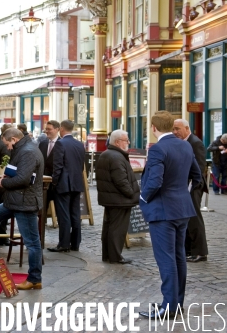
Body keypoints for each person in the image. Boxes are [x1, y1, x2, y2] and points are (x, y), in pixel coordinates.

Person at [138, 111, 201, 319]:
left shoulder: (157, 149)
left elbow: (154, 181)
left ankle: (169, 306)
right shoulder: (185, 145)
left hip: (163, 211)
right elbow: (197, 176)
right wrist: (181, 192)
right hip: (182, 209)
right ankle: (176, 302)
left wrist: (143, 198)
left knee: (166, 260)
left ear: (154, 128)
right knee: (178, 257)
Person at [0, 128, 44, 290]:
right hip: (16, 200)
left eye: (8, 144)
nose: (8, 148)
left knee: (32, 243)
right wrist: (7, 176)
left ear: (14, 140)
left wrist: (3, 183)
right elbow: (19, 172)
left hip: (24, 203)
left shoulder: (28, 152)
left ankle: (34, 279)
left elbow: (23, 179)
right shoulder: (24, 149)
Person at [95, 129, 139, 264]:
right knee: (117, 229)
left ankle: (108, 255)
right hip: (119, 199)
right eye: (126, 140)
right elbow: (121, 180)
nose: (128, 143)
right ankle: (115, 256)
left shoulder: (108, 154)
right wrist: (131, 193)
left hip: (112, 198)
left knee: (109, 227)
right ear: (118, 142)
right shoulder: (116, 156)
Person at [173, 119, 209, 263]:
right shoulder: (181, 142)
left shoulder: (195, 143)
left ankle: (200, 252)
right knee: (185, 219)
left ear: (187, 128)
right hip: (183, 186)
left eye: (178, 129)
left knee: (194, 219)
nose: (175, 132)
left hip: (193, 186)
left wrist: (190, 184)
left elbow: (199, 168)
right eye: (173, 129)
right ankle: (188, 250)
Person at [48, 119, 86, 253]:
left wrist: (54, 181)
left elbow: (57, 166)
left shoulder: (60, 143)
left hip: (63, 184)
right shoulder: (80, 144)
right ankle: (75, 243)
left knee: (63, 214)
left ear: (62, 129)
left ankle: (64, 244)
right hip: (76, 182)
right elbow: (81, 165)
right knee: (75, 214)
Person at [38, 120, 60, 221]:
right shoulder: (42, 144)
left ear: (57, 129)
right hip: (43, 181)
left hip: (57, 182)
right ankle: (42, 222)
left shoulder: (61, 143)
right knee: (42, 206)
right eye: (46, 129)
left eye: (49, 129)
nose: (47, 131)